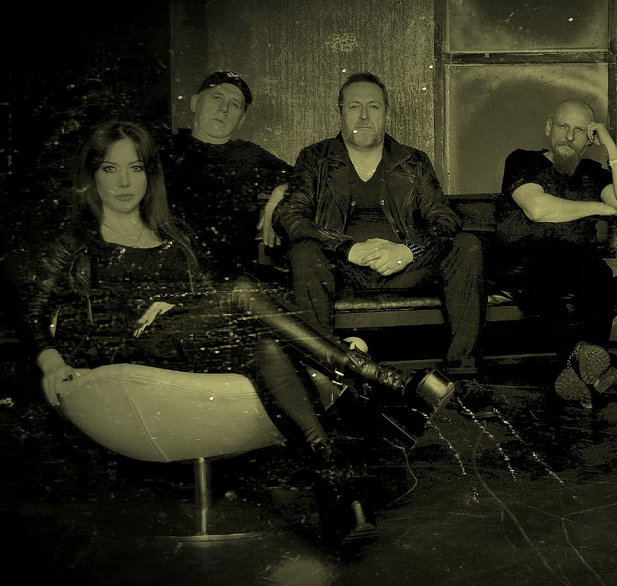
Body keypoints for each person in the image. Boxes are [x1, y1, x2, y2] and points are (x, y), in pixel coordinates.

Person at [23, 120, 456, 551]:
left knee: (262, 342)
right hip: (127, 350)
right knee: (242, 291)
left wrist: (180, 305)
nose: (123, 181)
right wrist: (51, 360)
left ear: (149, 174)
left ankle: (336, 484)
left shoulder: (171, 235)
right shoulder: (76, 240)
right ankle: (377, 376)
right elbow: (34, 308)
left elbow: (205, 298)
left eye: (135, 168)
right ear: (92, 174)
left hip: (188, 347)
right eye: (110, 168)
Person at [275, 72, 484, 374]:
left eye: (373, 106)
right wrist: (347, 248)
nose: (363, 116)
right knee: (304, 252)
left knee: (467, 246)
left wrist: (407, 251)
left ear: (386, 112)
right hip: (341, 269)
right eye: (354, 106)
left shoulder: (412, 161)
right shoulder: (315, 158)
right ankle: (322, 371)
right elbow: (291, 216)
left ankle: (463, 373)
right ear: (340, 111)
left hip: (404, 267)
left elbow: (445, 218)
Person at [494, 98, 617, 408]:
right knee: (546, 275)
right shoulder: (522, 160)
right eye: (563, 126)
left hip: (577, 262)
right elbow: (538, 209)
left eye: (580, 131)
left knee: (599, 275)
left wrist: (611, 147)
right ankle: (584, 364)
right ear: (549, 127)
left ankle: (579, 369)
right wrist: (598, 207)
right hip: (526, 260)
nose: (569, 136)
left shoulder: (592, 172)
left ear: (589, 139)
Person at [163, 71, 292, 283]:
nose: (224, 109)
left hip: (234, 280)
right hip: (174, 273)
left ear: (241, 120)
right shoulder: (165, 150)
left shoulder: (249, 155)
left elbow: (306, 177)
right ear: (195, 103)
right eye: (217, 97)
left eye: (235, 104)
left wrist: (279, 194)